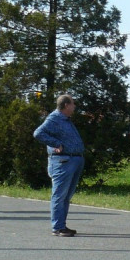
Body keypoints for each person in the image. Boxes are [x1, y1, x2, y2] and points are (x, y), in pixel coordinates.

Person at [33, 94, 85, 236]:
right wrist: (55, 144)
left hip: (74, 160)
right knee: (59, 195)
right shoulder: (54, 118)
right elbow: (38, 133)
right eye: (73, 104)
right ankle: (57, 227)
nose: (74, 106)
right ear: (66, 105)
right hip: (62, 162)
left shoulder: (66, 119)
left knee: (66, 196)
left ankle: (62, 225)